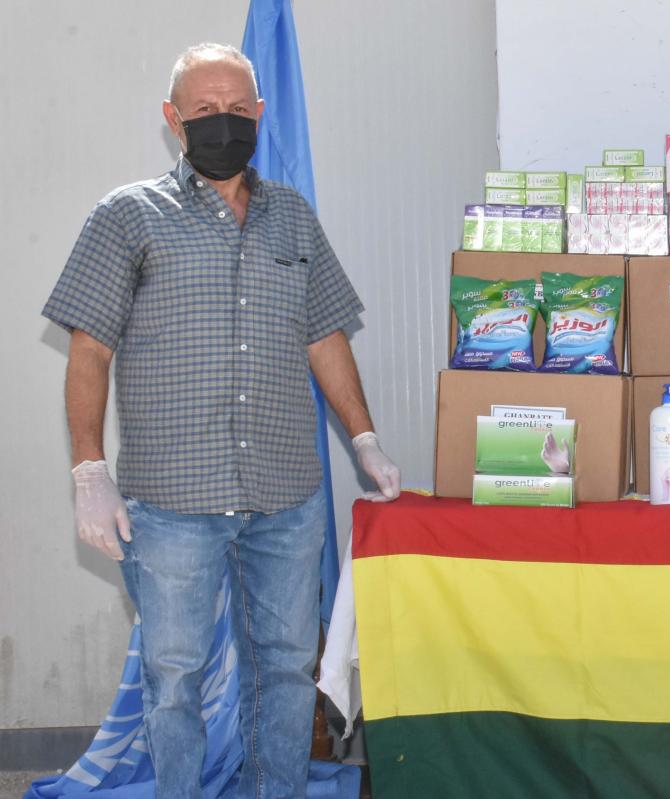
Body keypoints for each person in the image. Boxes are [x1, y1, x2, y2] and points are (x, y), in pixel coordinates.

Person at [42, 43, 402, 798]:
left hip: (285, 494)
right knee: (174, 676)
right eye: (204, 109)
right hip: (172, 501)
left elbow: (325, 336)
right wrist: (88, 469)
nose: (223, 122)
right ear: (173, 119)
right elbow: (89, 349)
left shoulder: (292, 217)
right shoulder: (127, 215)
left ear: (260, 115)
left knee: (286, 667)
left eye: (238, 108)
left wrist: (364, 436)